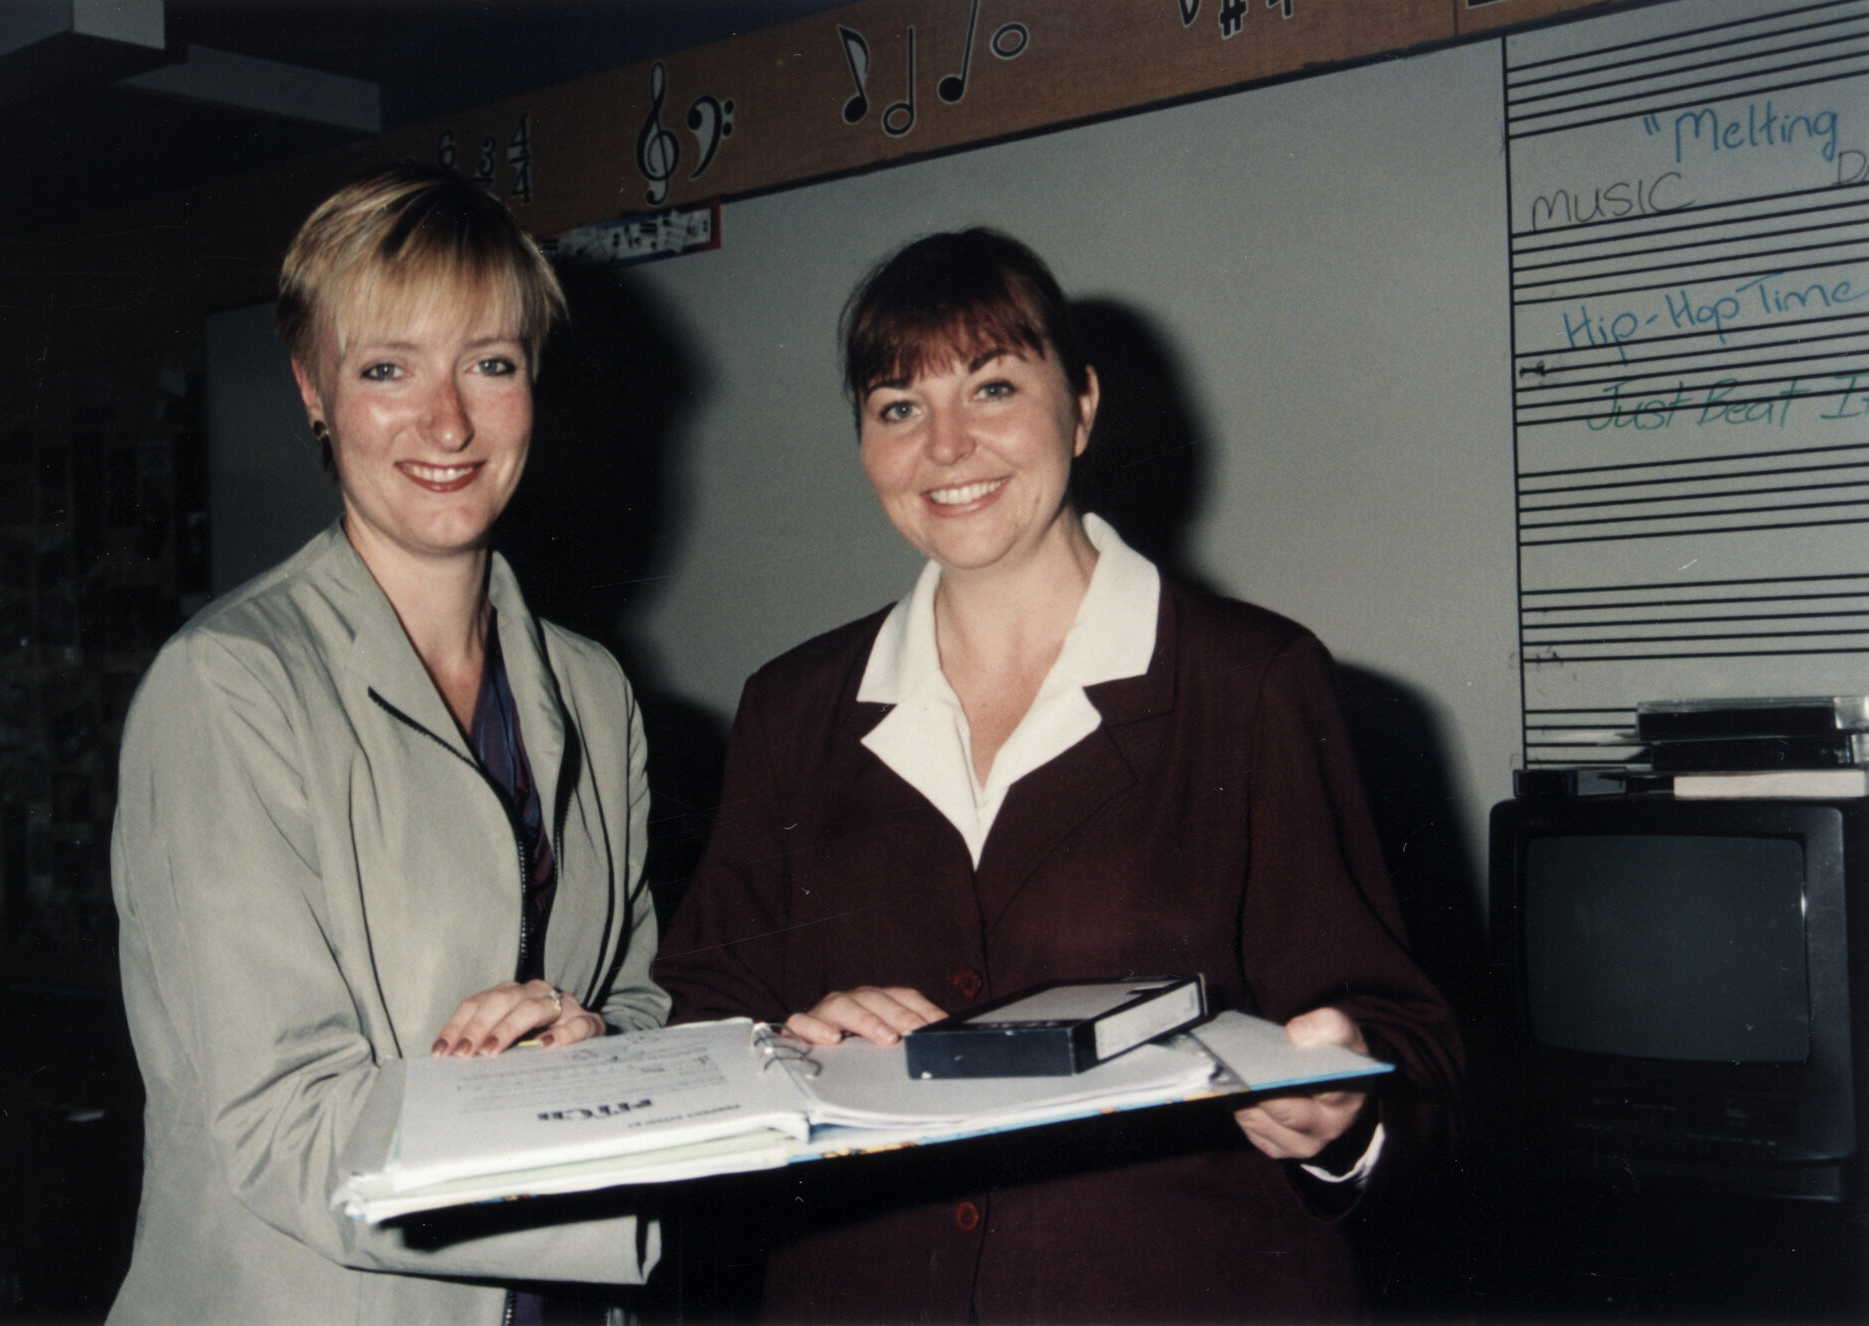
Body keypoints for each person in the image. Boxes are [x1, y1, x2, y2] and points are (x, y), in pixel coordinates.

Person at [652, 229, 1461, 1322]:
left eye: (992, 387)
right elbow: (701, 1022)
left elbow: (1402, 1038)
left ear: (1080, 407)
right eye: (897, 406)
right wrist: (785, 1040)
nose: (946, 446)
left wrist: (1343, 1117)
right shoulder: (794, 709)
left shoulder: (1250, 681)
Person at [109, 165, 667, 1324]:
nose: (448, 421)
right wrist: (636, 1201)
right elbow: (280, 1123)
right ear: (313, 389)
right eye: (386, 369)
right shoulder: (231, 688)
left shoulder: (595, 692)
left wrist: (596, 1038)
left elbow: (639, 995)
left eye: (490, 363)